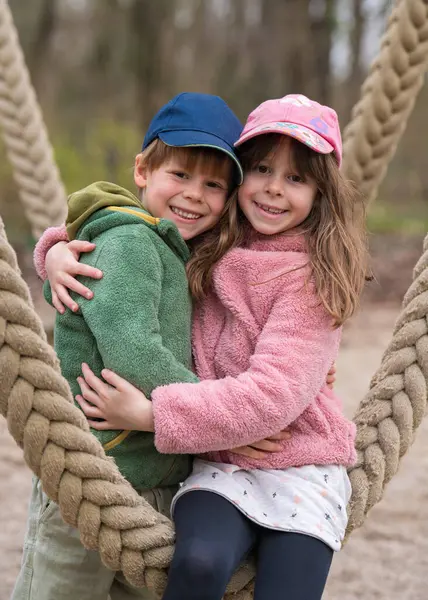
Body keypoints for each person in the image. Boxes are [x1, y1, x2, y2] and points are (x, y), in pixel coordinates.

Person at [33, 94, 353, 600]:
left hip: (293, 460)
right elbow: (122, 244)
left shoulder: (312, 277)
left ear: (321, 192)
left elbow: (273, 393)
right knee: (198, 564)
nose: (273, 189)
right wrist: (54, 250)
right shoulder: (215, 239)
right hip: (213, 466)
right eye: (263, 169)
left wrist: (155, 414)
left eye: (296, 178)